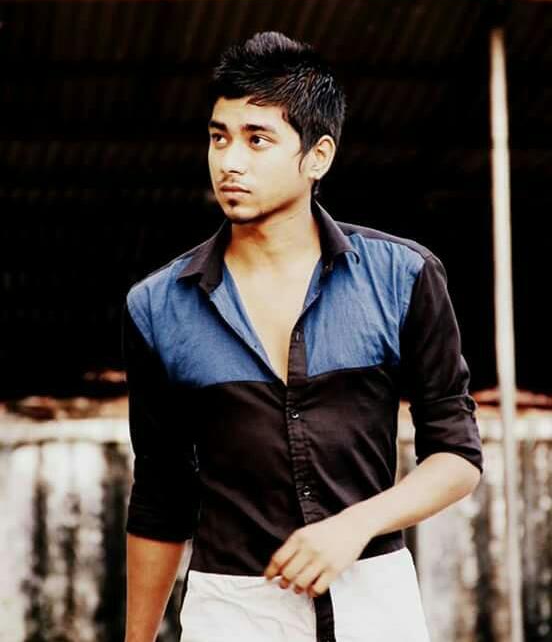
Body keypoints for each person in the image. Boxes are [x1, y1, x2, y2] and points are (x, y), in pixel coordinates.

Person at [122, 31, 484, 642]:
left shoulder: (403, 276)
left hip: (377, 604)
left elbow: (457, 456)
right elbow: (162, 492)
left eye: (257, 139)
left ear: (318, 156)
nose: (229, 161)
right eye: (219, 137)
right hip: (230, 611)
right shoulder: (157, 306)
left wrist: (354, 526)